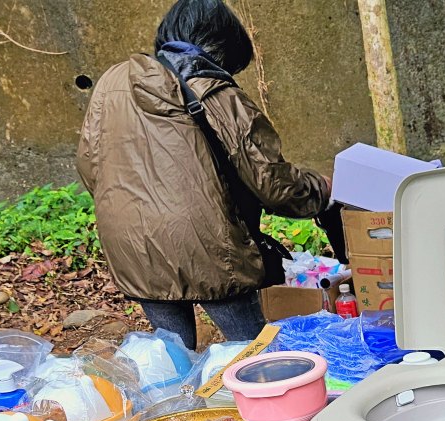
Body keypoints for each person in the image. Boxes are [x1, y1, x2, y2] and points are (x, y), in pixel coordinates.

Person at [76, 0, 331, 349]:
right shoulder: (213, 90)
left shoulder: (112, 83)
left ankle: (180, 400)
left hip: (130, 243)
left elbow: (90, 165)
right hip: (206, 245)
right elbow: (273, 184)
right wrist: (322, 189)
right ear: (222, 46)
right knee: (255, 353)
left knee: (173, 357)